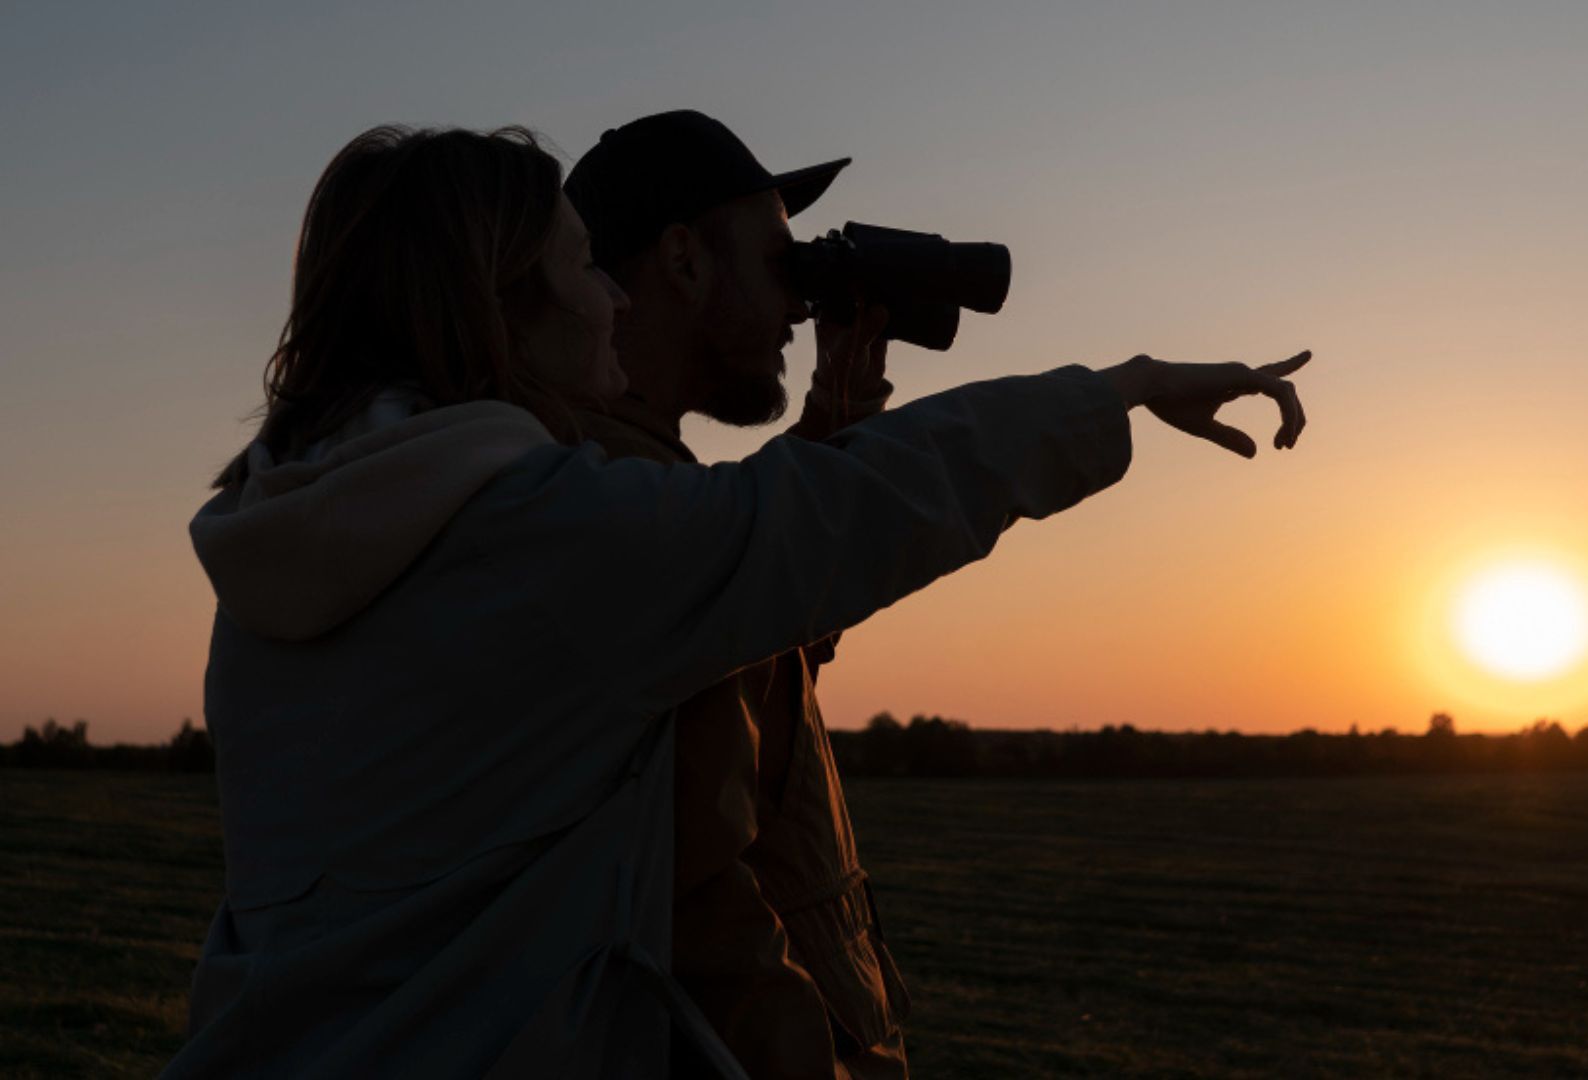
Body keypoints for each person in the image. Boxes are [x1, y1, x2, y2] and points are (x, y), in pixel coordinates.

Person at [166, 122, 1311, 1078]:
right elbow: (827, 520)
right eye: (580, 268)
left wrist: (816, 453)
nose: (607, 303)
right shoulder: (547, 536)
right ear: (500, 304)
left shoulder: (301, 529)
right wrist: (1123, 389)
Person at [559, 110, 909, 1079]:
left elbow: (761, 645)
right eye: (779, 259)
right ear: (682, 259)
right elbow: (708, 914)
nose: (802, 304)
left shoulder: (630, 486)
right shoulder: (617, 512)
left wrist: (837, 414)